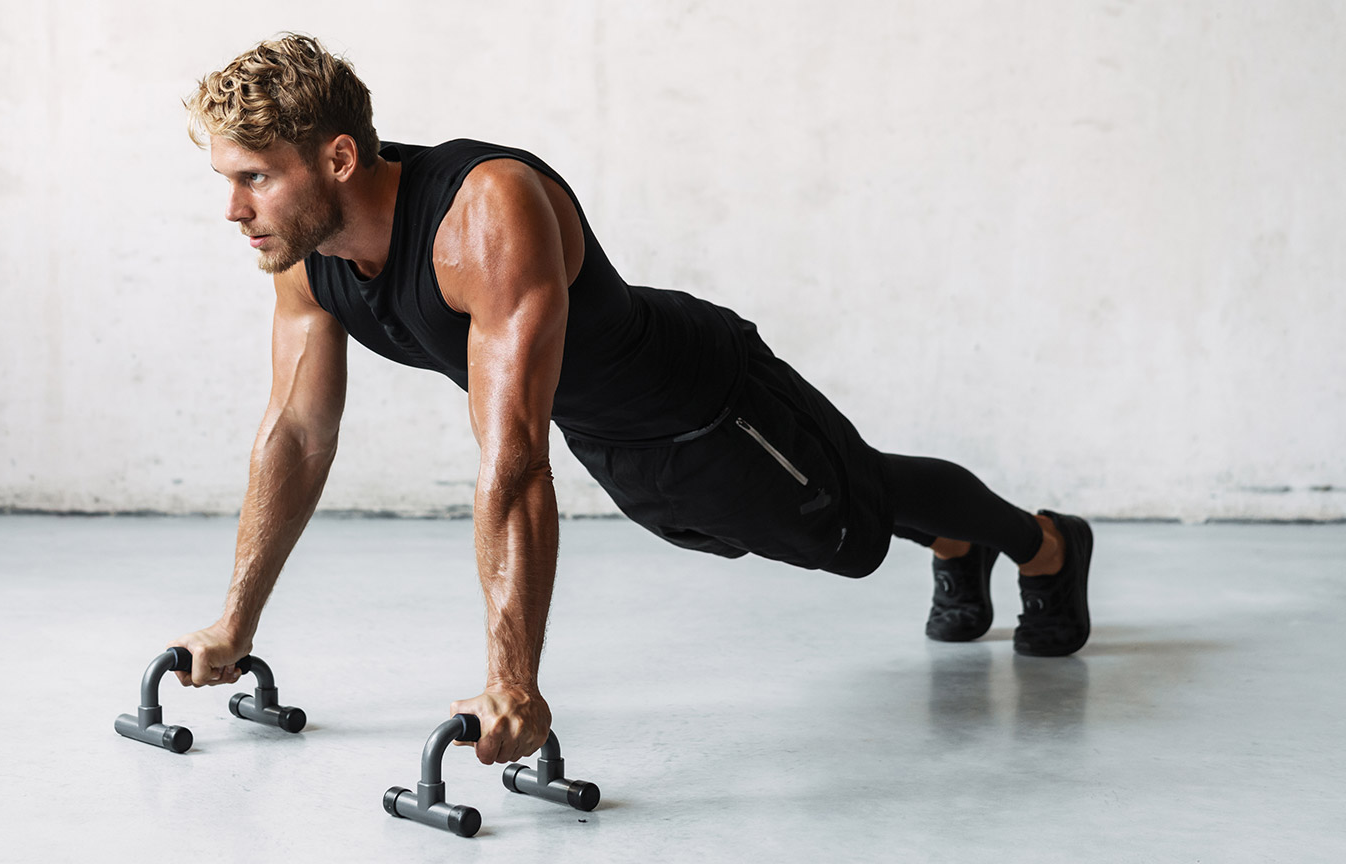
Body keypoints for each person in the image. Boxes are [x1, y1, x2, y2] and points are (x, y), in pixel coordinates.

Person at [166, 33, 1094, 767]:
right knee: (773, 527)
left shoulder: (482, 213)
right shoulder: (307, 256)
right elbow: (296, 431)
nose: (235, 211)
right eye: (227, 180)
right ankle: (954, 537)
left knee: (851, 530)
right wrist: (234, 623)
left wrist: (510, 682)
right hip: (613, 437)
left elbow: (514, 458)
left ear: (335, 157)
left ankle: (1043, 545)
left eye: (255, 178)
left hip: (709, 401)